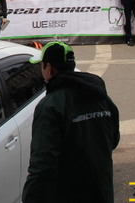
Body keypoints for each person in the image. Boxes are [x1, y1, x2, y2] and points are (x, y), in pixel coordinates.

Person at [23, 41, 120, 203]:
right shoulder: (99, 95)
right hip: (101, 191)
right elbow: (113, 139)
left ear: (49, 68)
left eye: (41, 66)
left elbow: (42, 165)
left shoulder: (50, 105)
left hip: (68, 194)